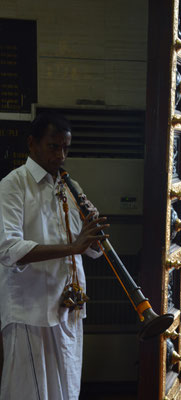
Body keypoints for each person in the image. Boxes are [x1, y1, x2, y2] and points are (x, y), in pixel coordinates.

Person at [0, 112, 110, 399]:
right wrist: (74, 247)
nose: (60, 155)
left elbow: (88, 247)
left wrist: (94, 240)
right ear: (32, 144)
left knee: (67, 388)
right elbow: (9, 250)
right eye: (53, 146)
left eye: (66, 148)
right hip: (30, 309)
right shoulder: (13, 185)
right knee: (28, 392)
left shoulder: (68, 187)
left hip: (68, 307)